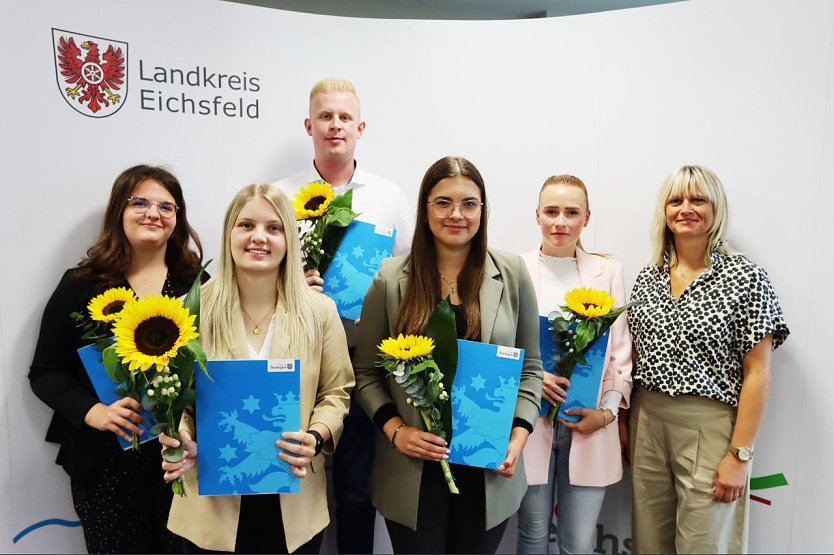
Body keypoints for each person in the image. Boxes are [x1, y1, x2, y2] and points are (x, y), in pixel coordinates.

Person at [352, 156, 543, 554]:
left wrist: (519, 437)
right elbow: (367, 373)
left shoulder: (512, 273)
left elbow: (531, 369)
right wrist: (396, 432)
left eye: (469, 203)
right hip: (413, 470)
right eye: (443, 202)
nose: (457, 214)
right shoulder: (390, 279)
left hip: (488, 468)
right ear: (424, 209)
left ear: (482, 210)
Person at [160, 184, 353, 554]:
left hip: (293, 501)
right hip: (212, 501)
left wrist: (315, 436)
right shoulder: (190, 309)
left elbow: (337, 391)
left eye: (274, 227)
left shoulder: (319, 311)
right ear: (229, 232)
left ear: (288, 239)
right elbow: (177, 399)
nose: (258, 237)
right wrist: (180, 439)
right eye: (246, 225)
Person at [29, 164, 204, 553]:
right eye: (139, 202)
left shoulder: (199, 286)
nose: (152, 213)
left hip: (181, 459)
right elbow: (44, 372)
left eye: (166, 206)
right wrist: (94, 412)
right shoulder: (82, 285)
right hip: (103, 463)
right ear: (118, 213)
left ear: (178, 219)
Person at [274, 77, 414, 553]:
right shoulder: (278, 194)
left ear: (361, 126)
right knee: (290, 482)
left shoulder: (389, 196)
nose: (335, 125)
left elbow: (409, 278)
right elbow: (254, 269)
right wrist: (292, 285)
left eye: (344, 117)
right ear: (310, 125)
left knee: (356, 491)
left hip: (361, 358)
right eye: (326, 117)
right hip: (296, 362)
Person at [626, 165, 789, 553]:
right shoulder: (648, 276)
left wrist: (740, 455)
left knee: (704, 544)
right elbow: (631, 354)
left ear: (717, 209)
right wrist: (622, 422)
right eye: (676, 200)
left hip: (709, 426)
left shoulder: (746, 277)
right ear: (664, 210)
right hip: (646, 420)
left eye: (698, 199)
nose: (687, 208)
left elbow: (759, 372)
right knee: (650, 542)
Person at [515, 175, 632, 554]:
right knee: (532, 533)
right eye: (551, 211)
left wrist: (609, 413)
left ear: (587, 217)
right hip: (528, 422)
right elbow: (501, 345)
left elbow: (620, 353)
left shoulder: (608, 272)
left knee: (579, 544)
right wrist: (533, 378)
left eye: (571, 212)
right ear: (537, 215)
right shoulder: (514, 269)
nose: (560, 222)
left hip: (590, 423)